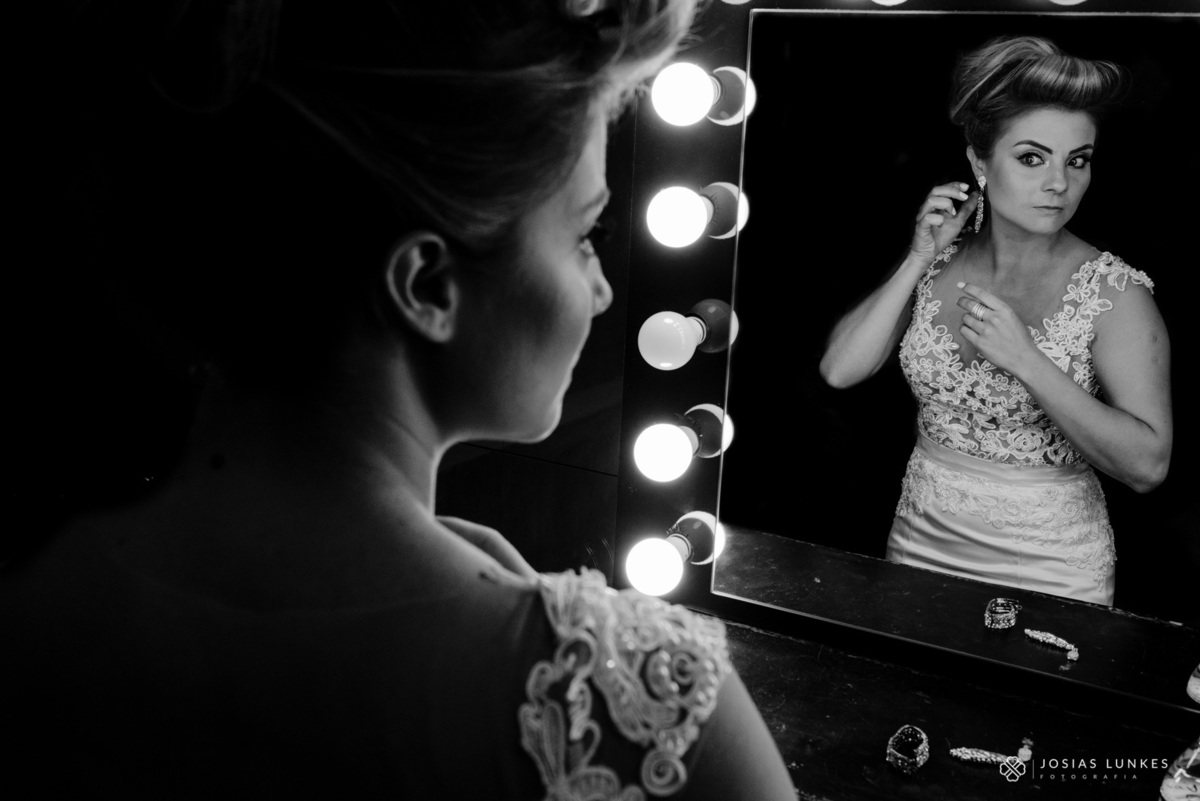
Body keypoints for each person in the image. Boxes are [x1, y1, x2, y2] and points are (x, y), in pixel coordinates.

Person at [1, 1, 797, 798]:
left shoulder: (38, 598)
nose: (600, 289)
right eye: (584, 234)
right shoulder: (638, 706)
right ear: (426, 284)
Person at [819, 35, 1172, 607]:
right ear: (979, 162)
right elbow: (839, 371)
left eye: (1076, 160)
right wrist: (916, 259)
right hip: (920, 543)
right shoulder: (937, 263)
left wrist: (1028, 361)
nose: (1058, 183)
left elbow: (1148, 465)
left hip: (1052, 566)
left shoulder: (1114, 292)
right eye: (1032, 157)